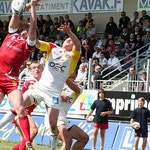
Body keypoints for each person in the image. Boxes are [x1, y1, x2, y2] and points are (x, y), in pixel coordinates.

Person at [23, 23, 81, 150]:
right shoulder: (53, 48)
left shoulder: (73, 56)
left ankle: (53, 147)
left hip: (54, 94)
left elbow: (78, 45)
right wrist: (30, 30)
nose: (68, 40)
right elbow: (36, 42)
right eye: (67, 38)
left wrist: (70, 32)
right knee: (18, 105)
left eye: (70, 39)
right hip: (41, 88)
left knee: (54, 126)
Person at [0, 0, 40, 149]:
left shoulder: (28, 46)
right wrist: (25, 5)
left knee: (20, 108)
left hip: (10, 82)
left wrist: (33, 8)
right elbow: (15, 15)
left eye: (28, 30)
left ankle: (28, 142)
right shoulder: (12, 33)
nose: (26, 29)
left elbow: (34, 26)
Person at [45, 71, 89, 150]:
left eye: (72, 70)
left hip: (63, 119)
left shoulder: (79, 86)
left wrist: (64, 78)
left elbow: (77, 90)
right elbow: (48, 95)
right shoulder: (57, 84)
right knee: (68, 140)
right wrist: (59, 95)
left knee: (84, 138)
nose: (70, 72)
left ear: (76, 75)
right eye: (69, 70)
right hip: (54, 116)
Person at [12, 61, 43, 150]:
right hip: (21, 112)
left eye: (39, 67)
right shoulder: (30, 80)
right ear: (30, 71)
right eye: (34, 68)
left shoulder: (42, 82)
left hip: (25, 113)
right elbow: (33, 88)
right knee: (33, 131)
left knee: (25, 140)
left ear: (42, 69)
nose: (37, 69)